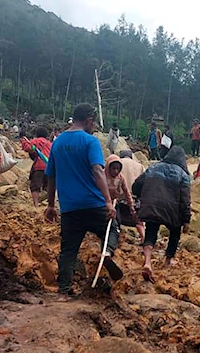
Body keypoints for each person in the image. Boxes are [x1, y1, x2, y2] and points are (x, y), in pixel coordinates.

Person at [44, 103, 122, 300]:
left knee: (68, 250)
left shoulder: (58, 143)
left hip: (70, 207)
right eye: (93, 122)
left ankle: (63, 292)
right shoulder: (90, 142)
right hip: (93, 204)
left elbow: (51, 177)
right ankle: (107, 253)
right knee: (112, 228)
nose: (93, 126)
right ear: (88, 120)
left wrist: (51, 205)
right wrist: (108, 201)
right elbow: (97, 170)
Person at [132, 146, 191, 283]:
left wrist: (141, 197)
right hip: (172, 211)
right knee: (175, 233)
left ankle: (147, 262)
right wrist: (186, 219)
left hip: (152, 206)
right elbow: (185, 199)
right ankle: (168, 260)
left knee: (151, 231)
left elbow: (136, 185)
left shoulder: (154, 167)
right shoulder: (183, 174)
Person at [105, 154, 145, 243]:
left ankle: (114, 239)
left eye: (117, 169)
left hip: (119, 200)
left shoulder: (115, 168)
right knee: (138, 221)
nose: (116, 171)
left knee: (116, 220)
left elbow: (125, 191)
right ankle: (143, 238)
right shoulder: (139, 166)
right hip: (133, 197)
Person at [21, 126, 52, 207]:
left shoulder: (36, 141)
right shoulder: (49, 143)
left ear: (37, 134)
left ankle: (36, 205)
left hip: (38, 166)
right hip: (49, 166)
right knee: (48, 186)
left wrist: (23, 140)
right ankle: (49, 204)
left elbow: (27, 148)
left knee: (35, 186)